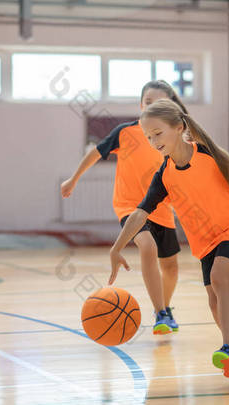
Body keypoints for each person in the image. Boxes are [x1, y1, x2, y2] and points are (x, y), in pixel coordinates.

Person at [109, 99, 229, 378]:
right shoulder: (164, 175)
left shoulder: (209, 155)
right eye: (148, 136)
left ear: (179, 127)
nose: (153, 141)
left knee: (220, 278)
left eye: (158, 133)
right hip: (204, 240)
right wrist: (116, 247)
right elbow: (139, 213)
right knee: (213, 298)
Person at [61, 81, 185, 335]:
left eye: (159, 103)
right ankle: (161, 311)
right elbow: (95, 153)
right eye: (148, 102)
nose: (152, 106)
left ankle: (165, 309)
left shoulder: (174, 137)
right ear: (141, 105)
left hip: (162, 208)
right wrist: (74, 178)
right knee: (147, 245)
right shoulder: (125, 132)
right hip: (130, 206)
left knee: (171, 267)